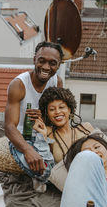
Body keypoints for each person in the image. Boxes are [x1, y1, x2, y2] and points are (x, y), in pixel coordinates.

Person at [4, 41, 63, 175]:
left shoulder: (56, 82)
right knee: (44, 171)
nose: (46, 67)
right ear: (34, 60)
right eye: (41, 61)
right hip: (23, 139)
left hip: (47, 134)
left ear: (59, 65)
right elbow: (9, 127)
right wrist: (27, 150)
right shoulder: (19, 85)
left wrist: (44, 116)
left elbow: (60, 116)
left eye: (52, 63)